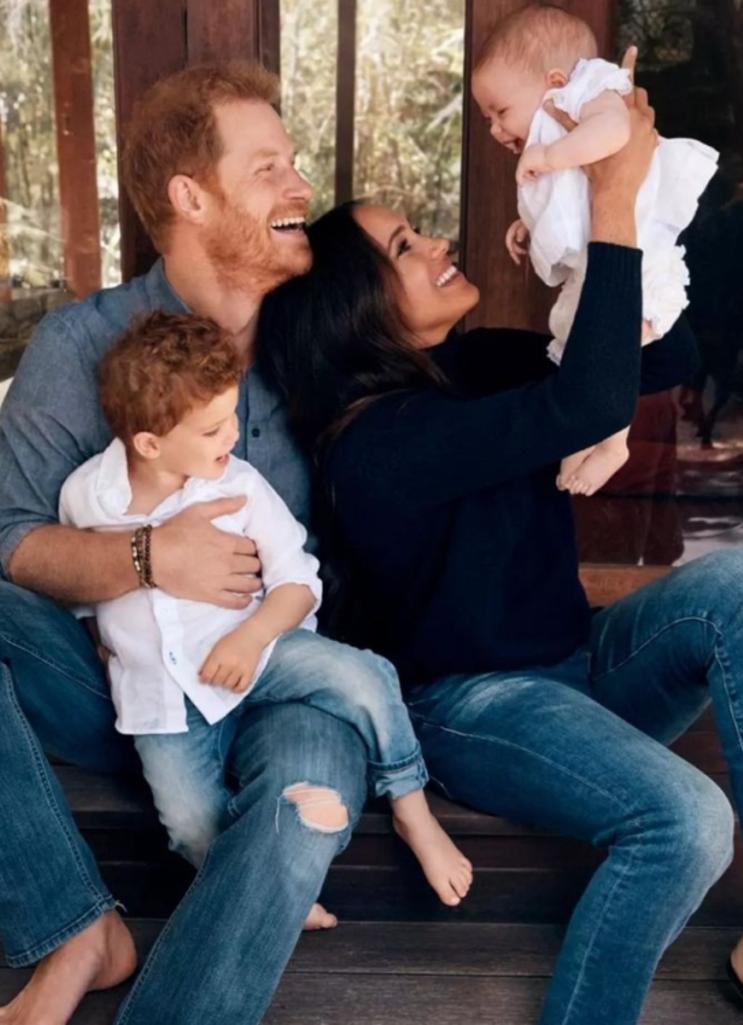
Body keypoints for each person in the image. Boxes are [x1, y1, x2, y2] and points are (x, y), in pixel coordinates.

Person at [258, 70, 743, 1025]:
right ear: (351, 308)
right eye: (405, 246)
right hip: (473, 707)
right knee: (687, 821)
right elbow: (585, 403)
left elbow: (663, 357)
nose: (438, 241)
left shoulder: (473, 363)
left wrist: (587, 246)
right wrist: (610, 195)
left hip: (578, 665)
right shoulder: (375, 446)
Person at [0, 60, 384, 1025]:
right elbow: (9, 538)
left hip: (286, 678)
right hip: (132, 688)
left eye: (294, 164)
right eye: (269, 169)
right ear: (190, 196)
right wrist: (146, 559)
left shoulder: (323, 337)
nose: (302, 187)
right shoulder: (80, 345)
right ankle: (74, 926)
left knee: (303, 809)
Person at [59, 309, 472, 903]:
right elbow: (82, 586)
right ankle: (256, 889)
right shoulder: (86, 497)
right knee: (187, 821)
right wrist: (102, 640)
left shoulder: (240, 486)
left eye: (232, 416)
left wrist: (250, 638)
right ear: (149, 443)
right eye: (211, 429)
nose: (231, 436)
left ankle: (411, 807)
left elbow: (299, 582)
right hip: (164, 699)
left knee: (366, 677)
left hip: (263, 646)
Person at [471, 4, 717, 496]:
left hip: (640, 256)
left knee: (612, 345)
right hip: (603, 257)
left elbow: (615, 133)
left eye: (501, 111)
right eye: (487, 119)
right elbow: (573, 199)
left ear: (555, 80)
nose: (496, 130)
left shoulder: (592, 92)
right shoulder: (557, 128)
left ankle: (612, 441)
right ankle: (587, 432)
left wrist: (550, 154)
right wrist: (528, 224)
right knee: (578, 342)